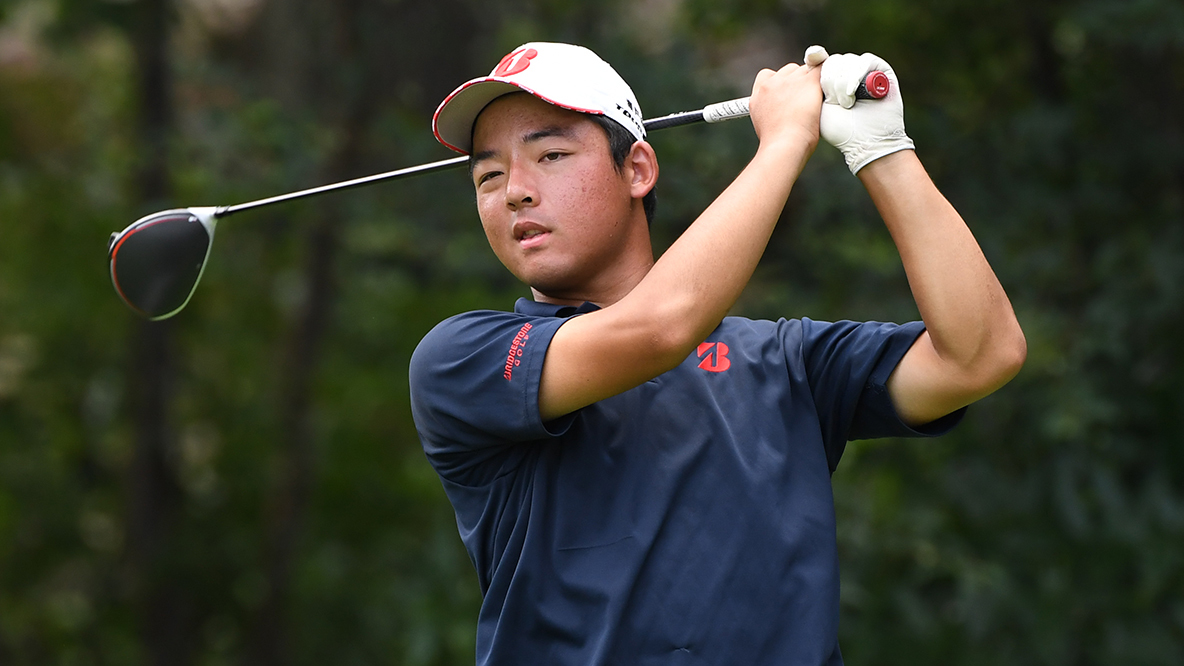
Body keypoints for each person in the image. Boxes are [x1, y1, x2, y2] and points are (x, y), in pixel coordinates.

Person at [409, 41, 1025, 665]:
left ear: (637, 170)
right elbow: (659, 329)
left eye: (551, 155)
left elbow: (979, 357)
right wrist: (785, 141)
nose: (515, 191)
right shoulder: (463, 360)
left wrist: (883, 151)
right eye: (488, 176)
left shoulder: (781, 360)